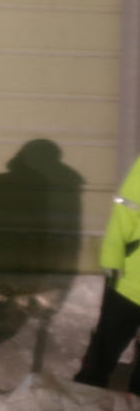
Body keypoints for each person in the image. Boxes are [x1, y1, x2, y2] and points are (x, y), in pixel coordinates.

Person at [75, 154, 140, 393]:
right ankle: (86, 394)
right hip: (130, 278)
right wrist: (112, 256)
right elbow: (125, 212)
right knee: (106, 344)